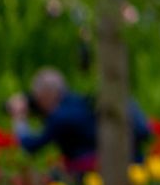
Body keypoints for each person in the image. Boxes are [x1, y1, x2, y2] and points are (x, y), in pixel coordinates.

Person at [8, 68, 151, 176]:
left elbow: (31, 147)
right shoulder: (78, 103)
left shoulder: (60, 116)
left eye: (37, 97)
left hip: (95, 175)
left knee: (52, 177)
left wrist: (19, 118)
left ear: (47, 94)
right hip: (127, 165)